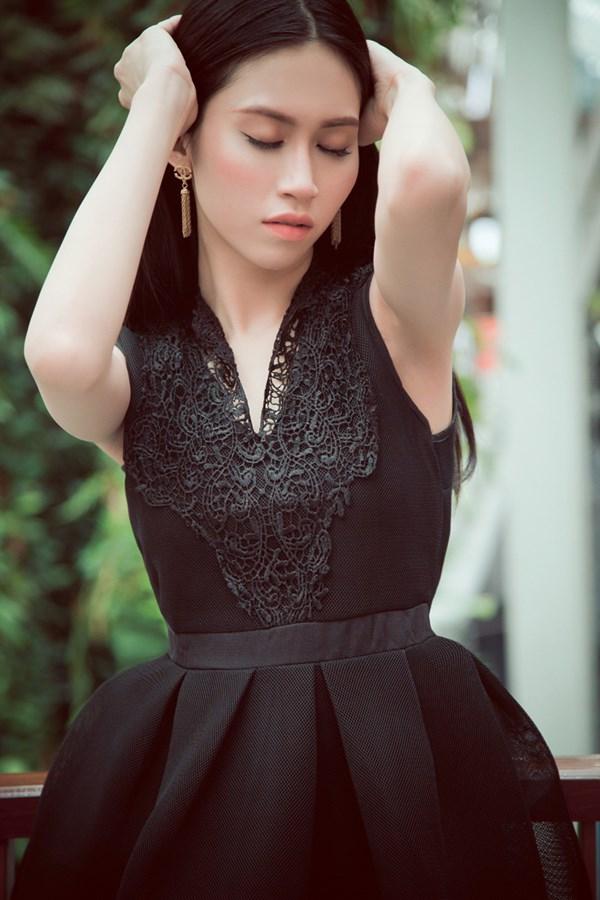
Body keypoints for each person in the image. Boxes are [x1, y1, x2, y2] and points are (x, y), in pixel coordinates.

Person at [13, 3, 592, 899]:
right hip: (202, 783)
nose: (303, 181)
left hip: (406, 772)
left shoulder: (397, 316)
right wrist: (158, 101)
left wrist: (383, 70)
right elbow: (57, 354)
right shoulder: (139, 365)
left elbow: (430, 178)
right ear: (186, 143)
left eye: (335, 144)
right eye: (263, 136)